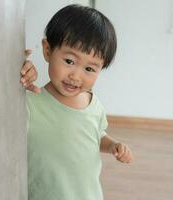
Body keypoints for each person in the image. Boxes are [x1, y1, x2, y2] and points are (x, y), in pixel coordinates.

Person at [20, 4, 132, 200]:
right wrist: (19, 72)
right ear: (47, 50)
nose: (76, 76)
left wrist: (113, 145)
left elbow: (96, 136)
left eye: (90, 69)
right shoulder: (30, 104)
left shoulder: (93, 104)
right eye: (70, 61)